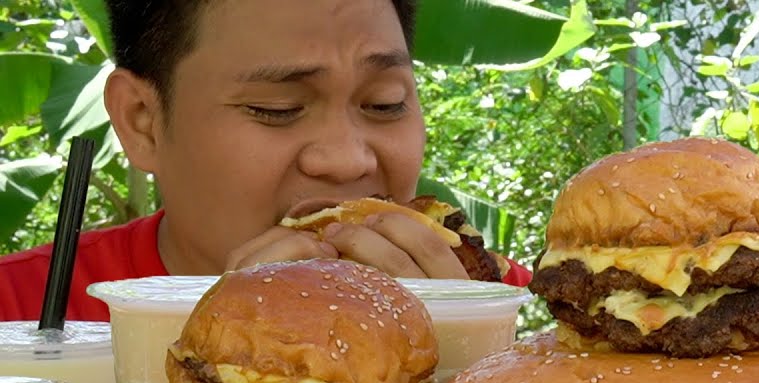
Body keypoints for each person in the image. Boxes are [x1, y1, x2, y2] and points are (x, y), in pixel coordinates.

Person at [0, 0, 531, 323]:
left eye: (385, 103)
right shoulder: (20, 311)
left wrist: (462, 372)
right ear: (143, 121)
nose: (346, 161)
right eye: (276, 109)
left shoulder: (500, 309)